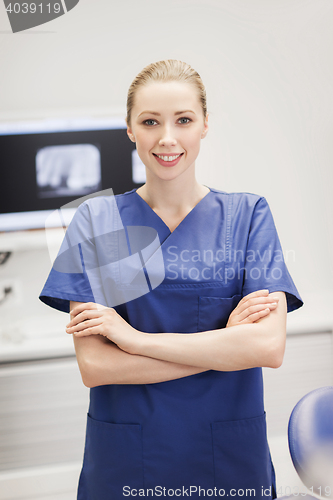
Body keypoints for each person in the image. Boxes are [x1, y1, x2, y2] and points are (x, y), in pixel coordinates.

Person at [39, 59, 303, 499]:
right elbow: (97, 367)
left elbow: (267, 348)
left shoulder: (249, 215)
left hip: (228, 458)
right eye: (150, 121)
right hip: (128, 460)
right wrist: (224, 345)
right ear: (129, 129)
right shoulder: (96, 221)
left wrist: (134, 340)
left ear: (203, 125)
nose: (167, 138)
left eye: (183, 120)